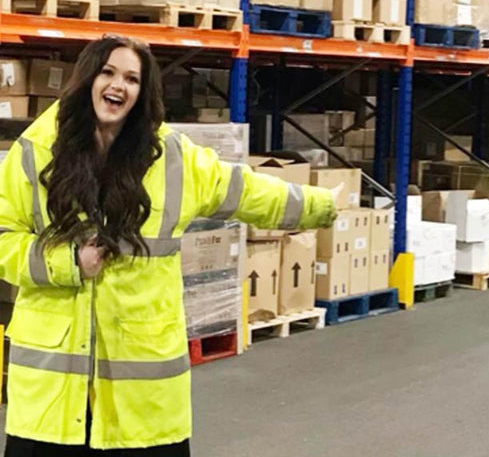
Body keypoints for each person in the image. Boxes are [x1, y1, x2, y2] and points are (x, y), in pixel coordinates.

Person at [0, 35, 337, 455]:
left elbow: (244, 191)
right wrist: (67, 261)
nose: (117, 86)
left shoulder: (173, 158)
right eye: (107, 72)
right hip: (51, 395)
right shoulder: (34, 152)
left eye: (131, 78)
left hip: (142, 398)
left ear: (143, 93)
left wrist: (323, 205)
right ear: (86, 77)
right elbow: (3, 238)